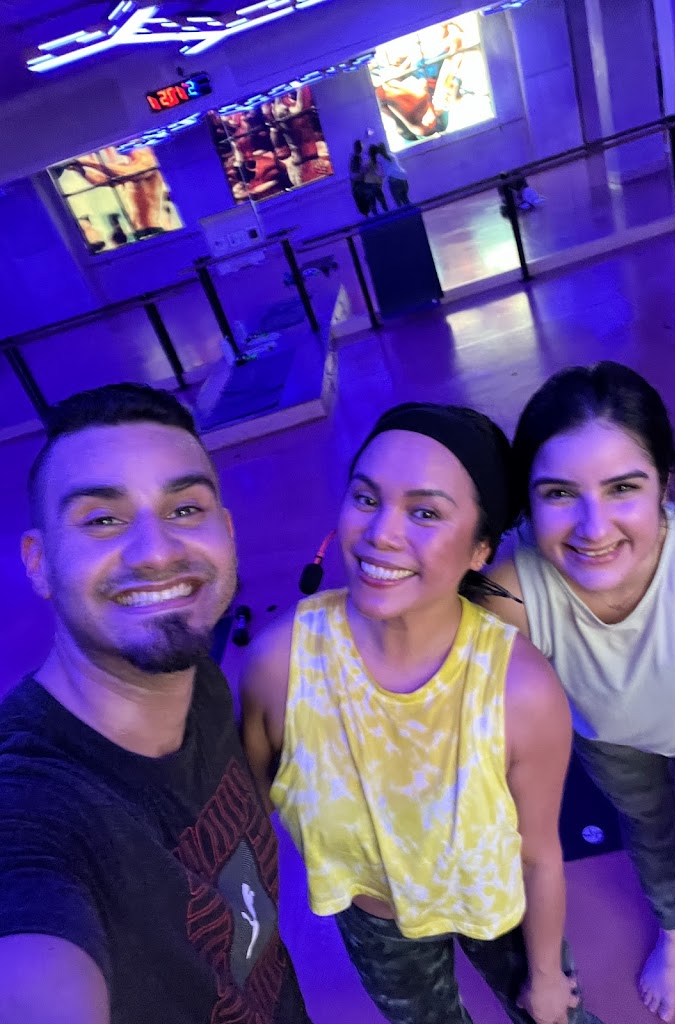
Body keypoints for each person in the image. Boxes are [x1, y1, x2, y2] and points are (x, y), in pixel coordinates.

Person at [240, 402, 605, 1024]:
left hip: (497, 907)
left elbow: (539, 854)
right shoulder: (283, 666)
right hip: (377, 924)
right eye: (365, 499)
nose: (381, 533)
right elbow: (244, 819)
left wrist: (546, 976)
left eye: (426, 512)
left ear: (480, 548)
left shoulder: (519, 690)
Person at [0, 383, 312, 1024]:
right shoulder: (30, 805)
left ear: (227, 532)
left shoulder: (198, 677)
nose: (158, 552)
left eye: (185, 509)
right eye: (103, 520)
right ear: (39, 563)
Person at [485, 362, 675, 1022]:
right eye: (559, 493)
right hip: (611, 736)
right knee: (646, 832)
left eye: (623, 488)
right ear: (528, 501)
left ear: (664, 483)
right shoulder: (509, 589)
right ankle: (674, 934)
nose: (593, 528)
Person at [363, 142, 389, 214]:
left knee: (373, 205)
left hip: (369, 185)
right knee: (383, 203)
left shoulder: (367, 164)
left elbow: (363, 172)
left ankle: (378, 218)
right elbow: (382, 174)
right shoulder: (378, 162)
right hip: (376, 184)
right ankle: (388, 215)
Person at [349, 139, 370, 217]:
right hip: (359, 188)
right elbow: (355, 175)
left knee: (365, 210)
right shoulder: (356, 158)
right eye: (361, 147)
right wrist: (365, 170)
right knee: (365, 209)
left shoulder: (355, 157)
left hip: (358, 188)